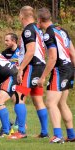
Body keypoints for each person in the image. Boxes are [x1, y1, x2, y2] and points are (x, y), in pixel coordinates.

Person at [37, 7, 75, 143]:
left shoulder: (48, 34)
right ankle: (71, 135)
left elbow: (52, 58)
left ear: (40, 20)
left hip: (60, 69)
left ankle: (58, 136)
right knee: (61, 103)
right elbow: (72, 51)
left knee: (50, 102)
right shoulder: (62, 30)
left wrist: (42, 77)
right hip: (69, 68)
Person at [17, 6, 49, 138]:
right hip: (40, 66)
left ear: (21, 16)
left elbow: (30, 51)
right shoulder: (38, 30)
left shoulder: (28, 30)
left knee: (19, 96)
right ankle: (44, 132)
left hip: (31, 67)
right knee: (37, 99)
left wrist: (21, 69)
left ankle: (21, 132)